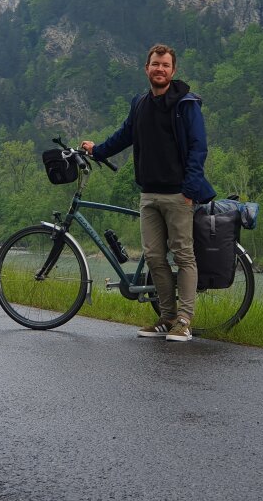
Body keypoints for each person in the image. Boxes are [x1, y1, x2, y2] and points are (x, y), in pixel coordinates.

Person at [81, 43, 215, 342]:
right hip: (149, 193)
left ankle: (185, 319)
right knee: (155, 258)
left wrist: (191, 189)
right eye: (155, 64)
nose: (160, 69)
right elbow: (125, 135)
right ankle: (166, 318)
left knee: (184, 257)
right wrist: (97, 150)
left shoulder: (186, 103)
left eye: (165, 65)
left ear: (173, 70)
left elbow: (198, 148)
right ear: (146, 68)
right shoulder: (140, 103)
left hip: (180, 194)